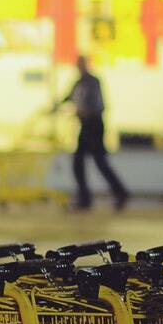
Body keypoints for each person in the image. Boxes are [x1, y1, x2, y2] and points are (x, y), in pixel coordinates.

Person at [55, 54, 128, 211]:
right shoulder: (78, 82)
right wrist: (55, 107)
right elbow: (68, 97)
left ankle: (118, 192)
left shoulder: (93, 81)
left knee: (98, 162)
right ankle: (87, 196)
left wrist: (85, 112)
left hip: (93, 125)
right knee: (79, 161)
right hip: (85, 126)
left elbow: (98, 104)